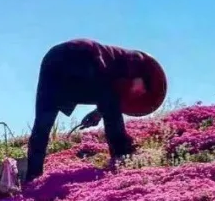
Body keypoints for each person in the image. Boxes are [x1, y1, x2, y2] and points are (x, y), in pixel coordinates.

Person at [25, 38, 167, 182]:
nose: (136, 95)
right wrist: (137, 78)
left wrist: (98, 113)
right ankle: (122, 153)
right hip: (82, 53)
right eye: (140, 92)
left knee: (42, 123)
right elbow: (110, 94)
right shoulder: (138, 61)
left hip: (53, 60)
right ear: (144, 84)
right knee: (110, 100)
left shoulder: (116, 79)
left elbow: (105, 93)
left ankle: (32, 175)